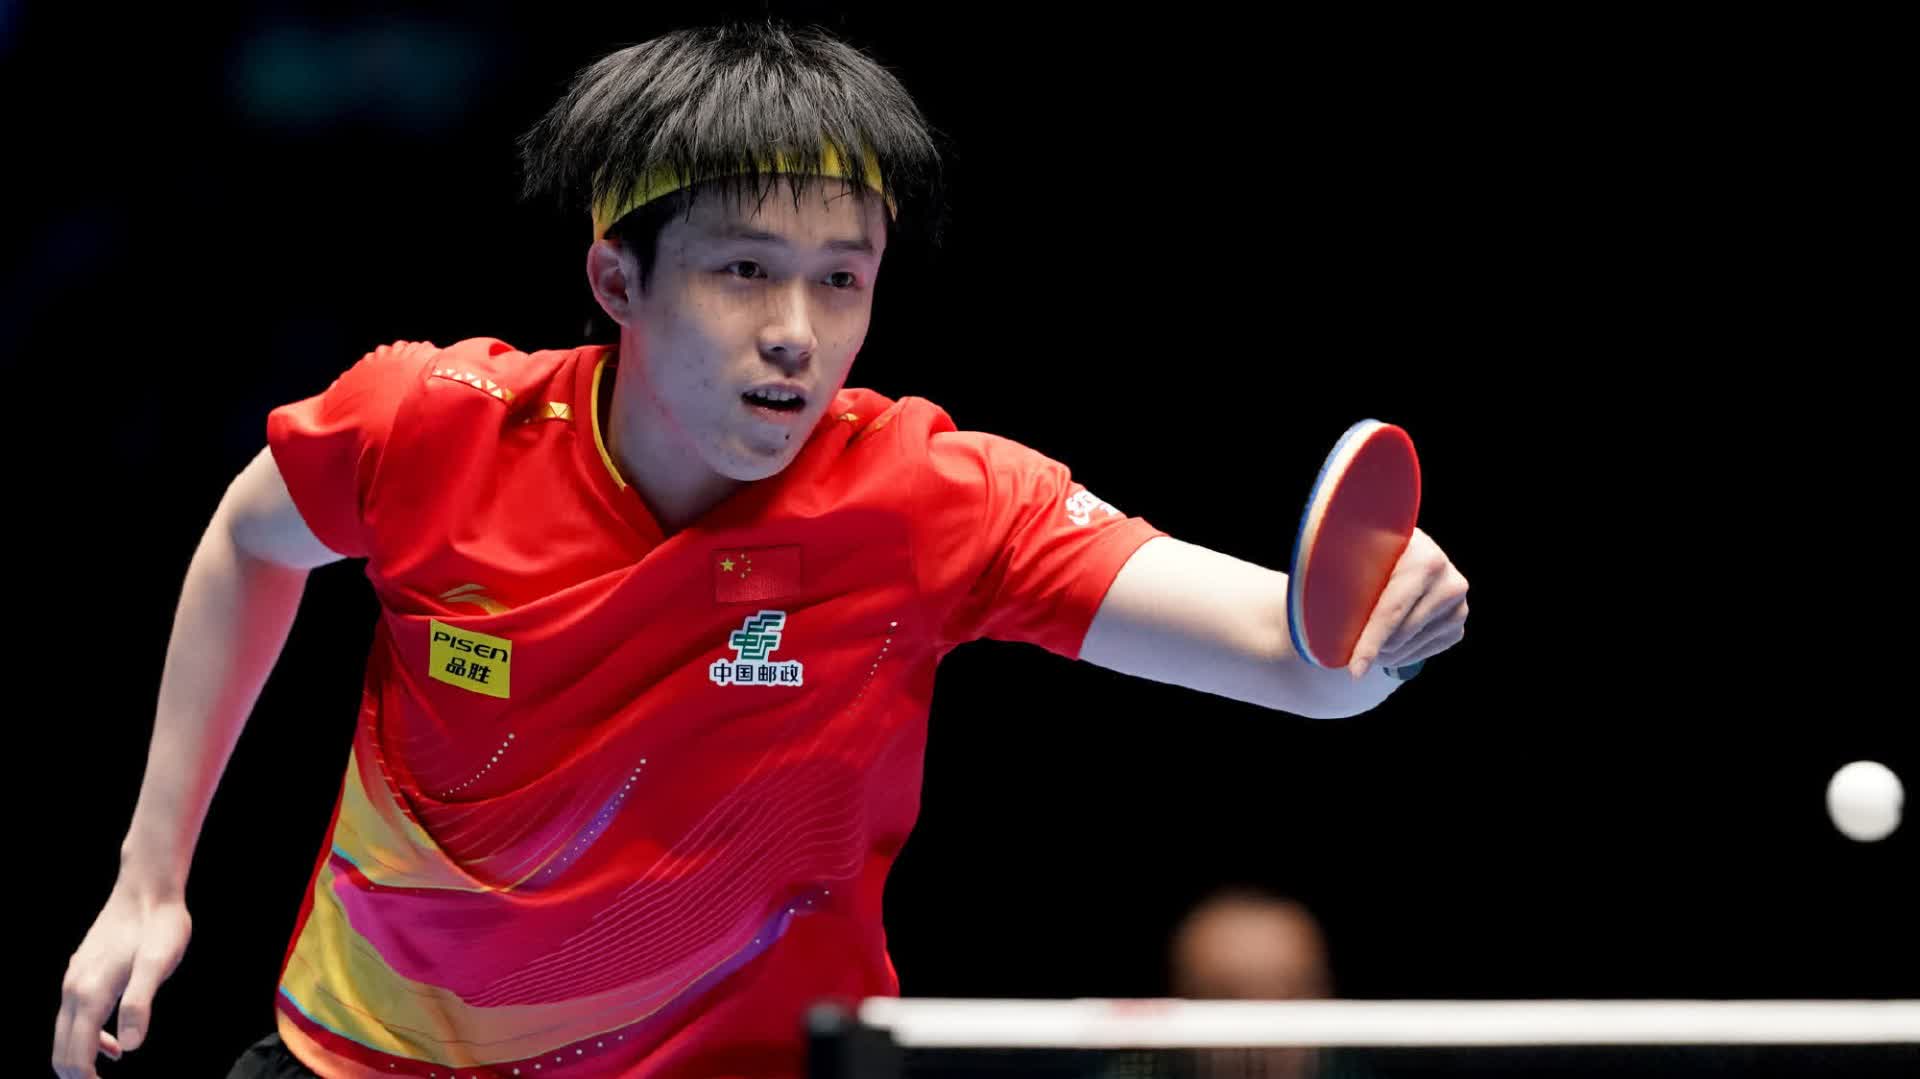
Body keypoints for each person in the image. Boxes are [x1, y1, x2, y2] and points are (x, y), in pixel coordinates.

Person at [52, 20, 1469, 1079]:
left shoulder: (926, 500)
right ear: (618, 275)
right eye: (745, 270)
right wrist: (150, 878)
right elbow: (250, 538)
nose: (798, 330)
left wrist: (1374, 632)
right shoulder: (431, 425)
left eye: (842, 279)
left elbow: (1294, 660)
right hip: (372, 1061)